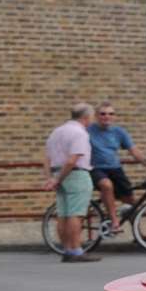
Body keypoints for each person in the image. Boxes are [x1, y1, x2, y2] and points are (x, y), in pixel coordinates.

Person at [45, 103, 100, 263]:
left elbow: (46, 159)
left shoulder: (56, 132)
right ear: (86, 117)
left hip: (57, 172)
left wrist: (51, 178)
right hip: (75, 175)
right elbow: (72, 160)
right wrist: (58, 179)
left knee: (63, 214)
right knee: (76, 214)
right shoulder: (79, 133)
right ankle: (76, 250)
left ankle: (67, 249)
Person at [88, 102, 146, 231]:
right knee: (106, 185)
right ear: (96, 116)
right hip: (95, 168)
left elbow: (134, 150)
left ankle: (139, 234)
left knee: (130, 201)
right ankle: (114, 222)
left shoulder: (119, 132)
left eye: (111, 114)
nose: (107, 116)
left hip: (115, 169)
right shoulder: (88, 131)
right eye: (103, 114)